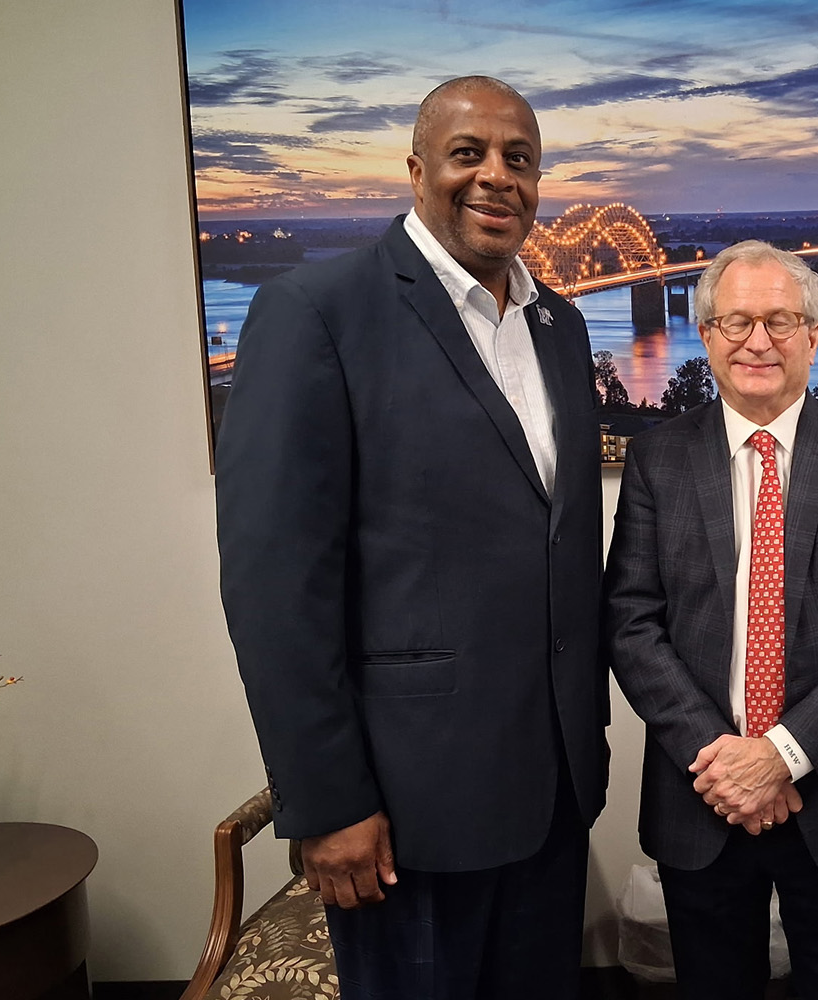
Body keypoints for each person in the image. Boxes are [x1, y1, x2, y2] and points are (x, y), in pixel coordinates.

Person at [215, 76, 606, 999]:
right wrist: (330, 800)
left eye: (520, 159)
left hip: (551, 790)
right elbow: (277, 588)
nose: (496, 177)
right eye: (469, 154)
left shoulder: (559, 324)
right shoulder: (319, 311)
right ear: (417, 167)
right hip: (405, 810)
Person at [603, 240, 818, 1000]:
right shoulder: (657, 462)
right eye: (737, 321)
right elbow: (631, 624)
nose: (758, 340)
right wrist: (726, 763)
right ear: (707, 333)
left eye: (781, 321)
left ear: (815, 336)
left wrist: (781, 757)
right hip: (702, 795)